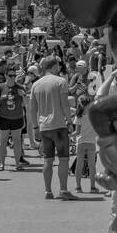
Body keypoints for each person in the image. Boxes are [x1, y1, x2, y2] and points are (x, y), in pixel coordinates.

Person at [30, 55, 73, 199]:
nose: (60, 67)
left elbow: (32, 109)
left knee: (48, 160)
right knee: (64, 159)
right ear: (54, 66)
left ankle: (48, 191)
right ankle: (63, 190)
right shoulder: (61, 81)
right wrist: (70, 121)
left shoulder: (36, 84)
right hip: (59, 125)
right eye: (58, 65)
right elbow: (65, 104)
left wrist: (35, 127)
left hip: (44, 126)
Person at [0, 70, 29, 172]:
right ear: (5, 75)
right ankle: (2, 164)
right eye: (10, 75)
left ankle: (18, 164)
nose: (12, 77)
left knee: (17, 141)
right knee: (3, 141)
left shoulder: (20, 87)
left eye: (14, 75)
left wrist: (23, 95)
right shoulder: (0, 87)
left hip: (17, 118)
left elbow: (25, 104)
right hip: (3, 118)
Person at [72, 93, 102, 194]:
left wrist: (70, 135)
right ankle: (92, 187)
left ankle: (78, 187)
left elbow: (77, 132)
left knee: (79, 165)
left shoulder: (79, 116)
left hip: (80, 142)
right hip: (91, 142)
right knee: (92, 166)